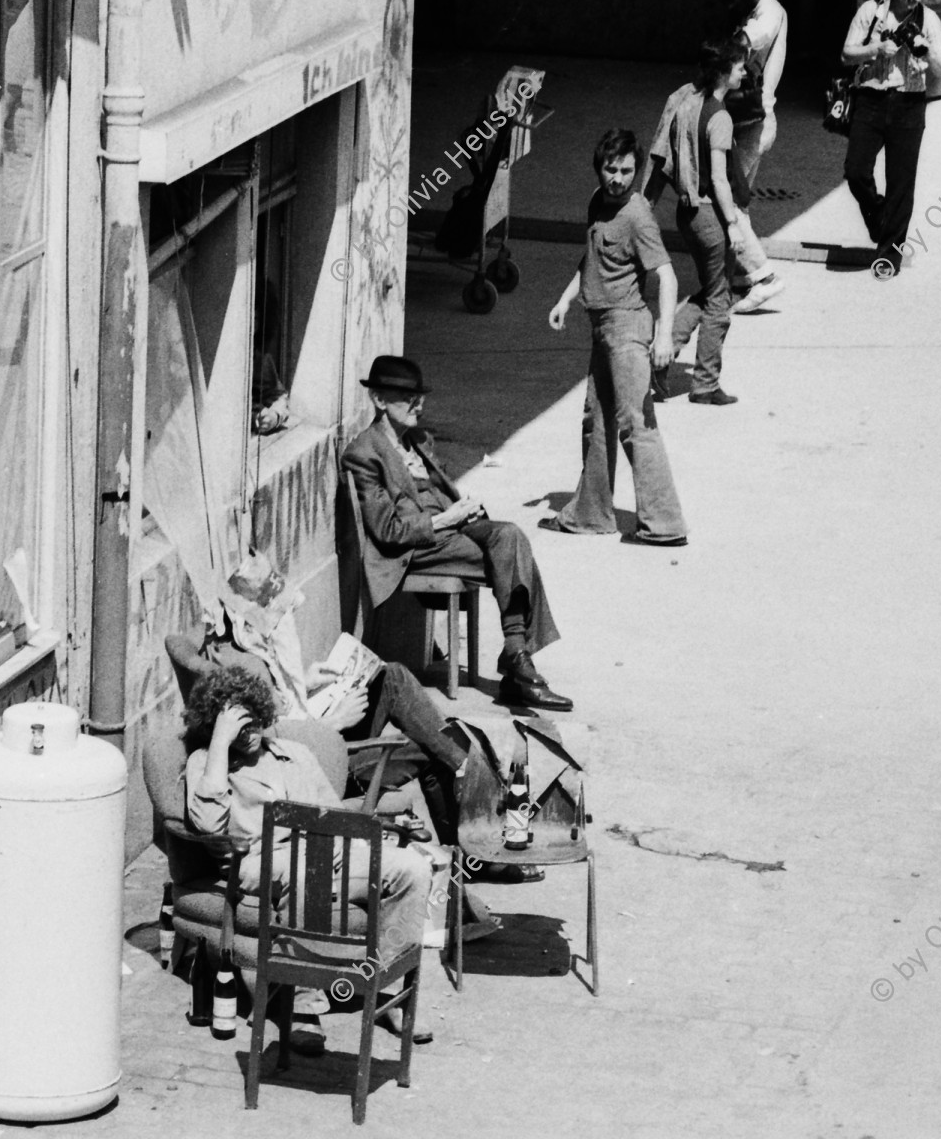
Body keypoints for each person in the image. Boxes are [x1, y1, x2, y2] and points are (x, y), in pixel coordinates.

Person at [191, 552, 541, 885]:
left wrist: (307, 682)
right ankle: (484, 792)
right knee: (419, 724)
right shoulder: (242, 669)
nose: (285, 618)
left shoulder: (252, 648)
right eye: (277, 612)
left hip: (314, 729)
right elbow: (277, 751)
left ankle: (476, 800)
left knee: (397, 685)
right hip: (323, 757)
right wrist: (334, 723)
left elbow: (280, 711)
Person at [183, 667, 435, 1052]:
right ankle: (301, 1004)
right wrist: (219, 743)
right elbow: (205, 822)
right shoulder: (207, 762)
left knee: (412, 869)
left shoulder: (295, 755)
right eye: (237, 727)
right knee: (305, 869)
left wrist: (374, 834)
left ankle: (379, 989)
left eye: (253, 722)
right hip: (260, 861)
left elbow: (334, 816)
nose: (248, 733)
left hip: (325, 853)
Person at [343, 355, 572, 712]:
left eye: (420, 396)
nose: (420, 404)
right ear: (379, 400)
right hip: (415, 546)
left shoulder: (418, 441)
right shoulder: (364, 453)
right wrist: (447, 519)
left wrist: (462, 511)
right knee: (510, 554)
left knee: (509, 537)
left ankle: (516, 654)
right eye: (409, 398)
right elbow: (387, 530)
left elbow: (437, 491)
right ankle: (518, 665)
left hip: (452, 529)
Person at [543, 129, 690, 544]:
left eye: (627, 171)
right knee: (597, 420)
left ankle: (664, 524)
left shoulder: (637, 216)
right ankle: (590, 514)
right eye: (612, 169)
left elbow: (667, 276)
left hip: (628, 330)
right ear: (600, 167)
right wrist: (565, 299)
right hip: (601, 329)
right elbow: (591, 257)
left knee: (636, 424)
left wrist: (663, 337)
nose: (619, 179)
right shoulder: (597, 200)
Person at [643, 43, 781, 405]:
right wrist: (734, 224)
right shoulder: (720, 117)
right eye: (739, 68)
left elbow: (663, 156)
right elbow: (720, 180)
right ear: (723, 72)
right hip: (710, 215)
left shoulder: (686, 101)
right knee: (720, 301)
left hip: (688, 213)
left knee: (711, 289)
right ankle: (704, 383)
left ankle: (664, 351)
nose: (744, 74)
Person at [842, 0, 941, 277]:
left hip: (909, 103)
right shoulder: (870, 11)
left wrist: (925, 46)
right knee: (856, 169)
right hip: (871, 98)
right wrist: (875, 49)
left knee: (901, 182)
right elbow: (847, 54)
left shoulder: (928, 19)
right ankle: (879, 217)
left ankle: (890, 254)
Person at [721, 0, 789, 191]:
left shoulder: (770, 11)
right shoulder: (753, 10)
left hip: (756, 118)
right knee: (739, 197)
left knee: (730, 189)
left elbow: (746, 40)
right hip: (746, 112)